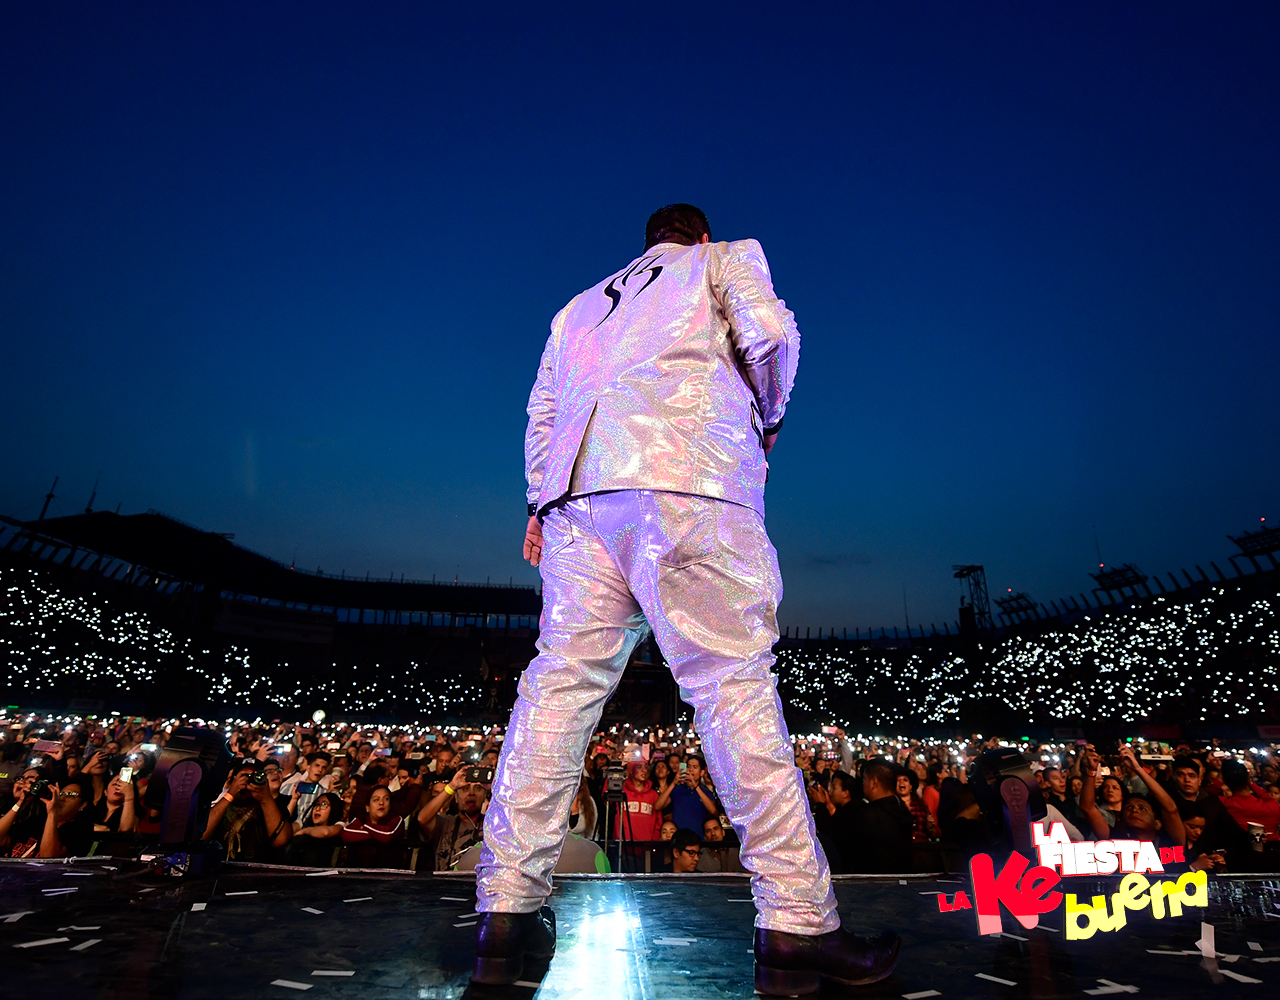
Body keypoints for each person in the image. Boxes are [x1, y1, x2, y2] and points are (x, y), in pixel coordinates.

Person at [473, 203, 899, 992]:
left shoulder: (575, 308)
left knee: (556, 696)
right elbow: (768, 334)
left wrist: (539, 503)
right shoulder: (727, 259)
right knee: (732, 689)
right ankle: (797, 924)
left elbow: (540, 413)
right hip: (691, 478)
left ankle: (504, 914)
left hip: (578, 499)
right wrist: (767, 415)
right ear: (698, 237)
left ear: (646, 243)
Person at [203, 760, 293, 862]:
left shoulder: (271, 807)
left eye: (253, 777)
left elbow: (281, 840)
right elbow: (201, 836)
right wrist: (230, 794)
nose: (247, 781)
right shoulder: (220, 806)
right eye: (243, 776)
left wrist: (265, 798)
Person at [341, 786, 406, 867]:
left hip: (389, 875)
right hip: (359, 873)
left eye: (386, 799)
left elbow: (388, 834)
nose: (381, 803)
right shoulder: (361, 819)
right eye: (376, 800)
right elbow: (346, 833)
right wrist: (377, 834)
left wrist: (367, 827)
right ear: (367, 808)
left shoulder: (396, 819)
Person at [287, 791, 346, 867]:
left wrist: (304, 831)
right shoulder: (304, 823)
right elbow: (284, 831)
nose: (317, 809)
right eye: (316, 804)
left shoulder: (339, 825)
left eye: (324, 804)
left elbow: (325, 832)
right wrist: (294, 800)